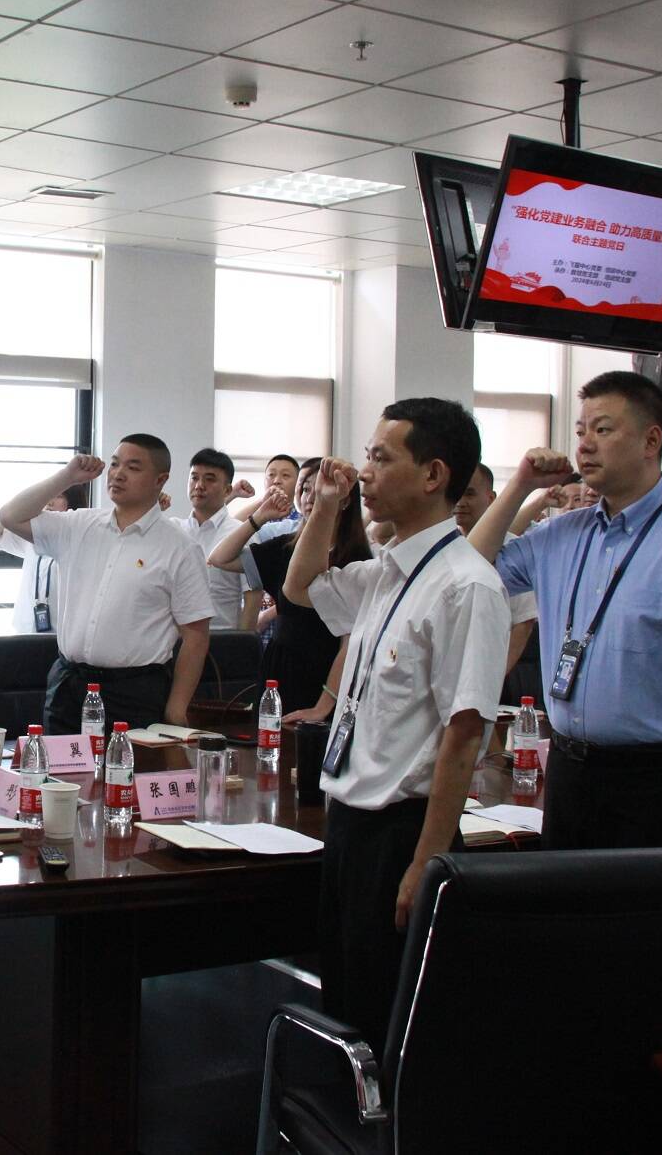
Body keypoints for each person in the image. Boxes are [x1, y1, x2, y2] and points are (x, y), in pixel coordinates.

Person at [281, 399, 509, 1057]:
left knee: (390, 1019)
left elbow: (463, 736)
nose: (365, 472)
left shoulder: (466, 586)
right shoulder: (386, 571)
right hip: (350, 824)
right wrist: (326, 505)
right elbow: (300, 588)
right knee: (345, 999)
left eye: (382, 458)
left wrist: (425, 862)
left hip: (402, 833)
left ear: (434, 475)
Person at [467, 370, 662, 851]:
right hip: (569, 771)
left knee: (641, 900)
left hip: (654, 778)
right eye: (580, 431)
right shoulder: (561, 534)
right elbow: (469, 569)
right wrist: (520, 485)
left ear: (650, 441)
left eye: (602, 430)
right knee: (564, 898)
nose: (585, 445)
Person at [0, 435, 214, 733]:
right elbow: (10, 516)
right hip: (69, 686)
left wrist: (176, 708)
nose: (118, 474)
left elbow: (196, 635)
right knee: (63, 764)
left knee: (129, 765)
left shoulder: (180, 547)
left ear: (160, 480)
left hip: (135, 692)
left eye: (133, 467)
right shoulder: (79, 525)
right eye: (114, 464)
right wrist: (67, 477)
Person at [210, 456, 371, 722]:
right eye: (305, 489)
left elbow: (351, 643)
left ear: (344, 499)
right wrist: (259, 517)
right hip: (280, 666)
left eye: (319, 489)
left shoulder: (356, 560)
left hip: (327, 672)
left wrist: (324, 705)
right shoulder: (285, 547)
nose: (310, 497)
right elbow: (219, 558)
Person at [455, 464, 541, 710]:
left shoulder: (513, 549)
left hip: (506, 672)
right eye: (457, 493)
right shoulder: (450, 546)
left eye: (470, 494)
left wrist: (493, 677)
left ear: (491, 498)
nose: (461, 502)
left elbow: (523, 622)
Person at [0, 483, 88, 635]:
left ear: (73, 502)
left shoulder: (81, 541)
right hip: (24, 630)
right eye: (48, 496)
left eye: (58, 496)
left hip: (62, 634)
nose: (49, 502)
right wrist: (21, 513)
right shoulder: (32, 536)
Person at [173, 447, 254, 630]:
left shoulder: (242, 533)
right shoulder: (175, 530)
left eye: (209, 479)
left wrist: (243, 641)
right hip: (174, 637)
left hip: (221, 637)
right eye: (194, 478)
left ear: (227, 490)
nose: (199, 485)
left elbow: (253, 594)